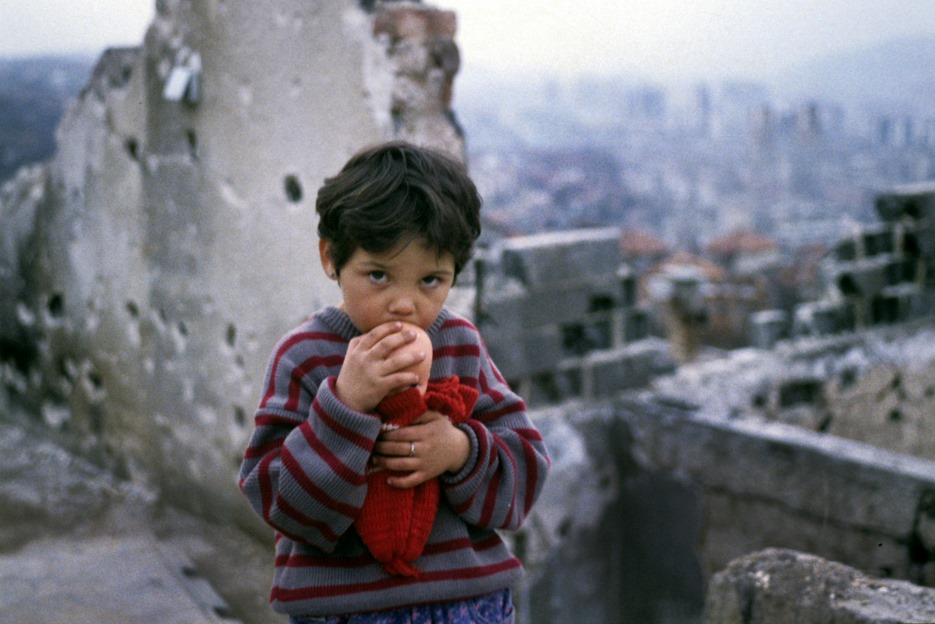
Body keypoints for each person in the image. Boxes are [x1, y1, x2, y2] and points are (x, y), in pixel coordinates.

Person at [238, 141, 550, 623]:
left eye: (430, 280)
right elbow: (283, 505)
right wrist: (345, 405)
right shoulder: (304, 357)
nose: (404, 304)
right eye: (379, 275)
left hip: (469, 604)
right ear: (331, 258)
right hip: (346, 612)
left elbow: (525, 474)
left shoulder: (460, 345)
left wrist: (461, 451)